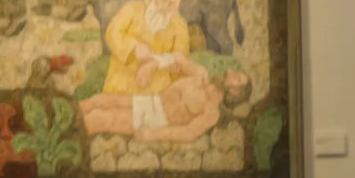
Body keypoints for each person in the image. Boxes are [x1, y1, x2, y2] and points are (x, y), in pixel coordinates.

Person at [79, 62, 244, 143]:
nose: (229, 71)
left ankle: (71, 132)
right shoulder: (201, 74)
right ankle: (70, 114)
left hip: (157, 119)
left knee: (101, 119)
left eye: (235, 77)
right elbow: (177, 58)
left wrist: (153, 134)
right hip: (152, 101)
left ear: (235, 92)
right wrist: (152, 65)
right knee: (99, 100)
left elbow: (189, 132)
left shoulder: (211, 111)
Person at [102, 0, 193, 97]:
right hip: (122, 82)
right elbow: (112, 33)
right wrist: (134, 47)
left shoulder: (179, 24)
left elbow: (180, 56)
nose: (166, 6)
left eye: (171, 3)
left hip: (159, 87)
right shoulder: (132, 9)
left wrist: (154, 64)